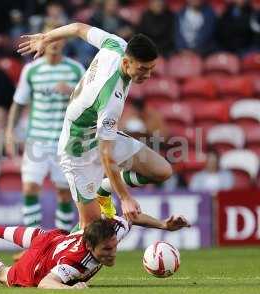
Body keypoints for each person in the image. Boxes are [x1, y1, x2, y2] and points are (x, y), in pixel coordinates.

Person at [18, 23, 172, 229]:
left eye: (151, 68)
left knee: (162, 171)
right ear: (126, 63)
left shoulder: (115, 44)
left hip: (98, 135)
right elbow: (106, 155)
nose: (147, 74)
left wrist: (47, 37)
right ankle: (48, 255)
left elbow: (78, 28)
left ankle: (104, 187)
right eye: (142, 69)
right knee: (90, 230)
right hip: (77, 150)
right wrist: (125, 198)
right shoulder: (110, 99)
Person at [0, 213, 190, 289]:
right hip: (44, 262)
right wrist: (70, 288)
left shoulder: (111, 232)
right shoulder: (74, 262)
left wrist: (164, 226)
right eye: (106, 251)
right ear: (90, 247)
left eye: (113, 247)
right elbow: (47, 282)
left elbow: (132, 218)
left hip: (55, 240)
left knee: (40, 236)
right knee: (6, 275)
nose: (113, 253)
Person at [6, 23, 85, 231]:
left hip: (65, 141)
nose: (55, 43)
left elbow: (89, 101)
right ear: (44, 40)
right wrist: (9, 132)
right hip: (37, 141)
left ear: (64, 41)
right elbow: (18, 102)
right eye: (51, 38)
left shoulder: (76, 69)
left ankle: (60, 241)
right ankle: (33, 242)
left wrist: (71, 91)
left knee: (64, 193)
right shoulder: (31, 70)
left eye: (59, 38)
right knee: (30, 188)